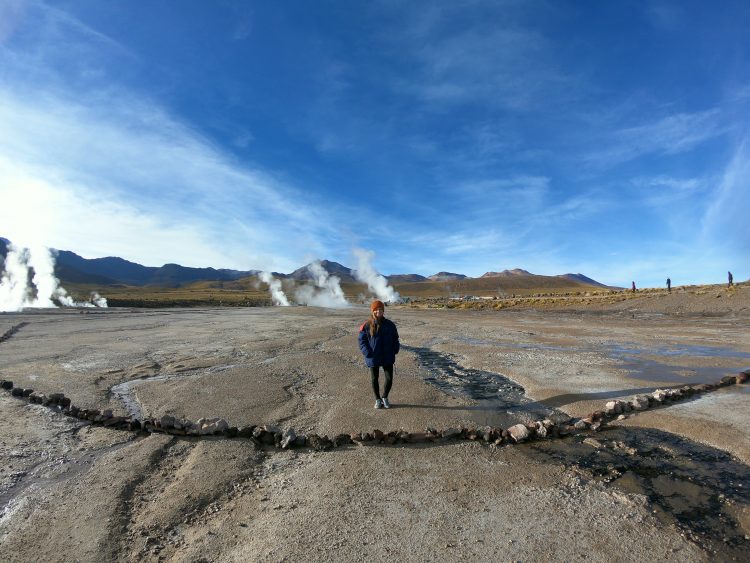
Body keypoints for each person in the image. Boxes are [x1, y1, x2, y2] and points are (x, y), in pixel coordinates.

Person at [358, 299, 400, 409]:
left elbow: (395, 338)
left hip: (387, 355)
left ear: (383, 311)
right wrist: (367, 352)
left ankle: (385, 397)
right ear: (372, 311)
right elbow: (362, 341)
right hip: (373, 356)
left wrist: (395, 349)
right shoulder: (366, 325)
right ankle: (377, 399)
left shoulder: (390, 325)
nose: (378, 312)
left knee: (389, 378)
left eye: (380, 309)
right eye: (376, 310)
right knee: (374, 379)